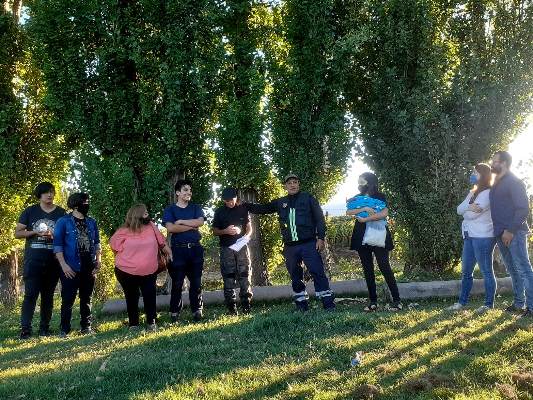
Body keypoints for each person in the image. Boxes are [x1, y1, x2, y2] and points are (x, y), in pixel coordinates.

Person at [245, 174, 335, 311]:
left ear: (298, 184)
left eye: (295, 182)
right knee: (295, 275)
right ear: (285, 186)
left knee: (317, 272)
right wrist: (244, 206)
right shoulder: (281, 202)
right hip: (290, 247)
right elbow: (263, 208)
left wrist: (320, 238)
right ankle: (301, 305)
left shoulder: (308, 198)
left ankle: (328, 304)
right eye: (289, 183)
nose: (292, 185)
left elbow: (319, 219)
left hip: (309, 244)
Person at [15, 182, 66, 339]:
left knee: (48, 296)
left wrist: (54, 235)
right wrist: (34, 232)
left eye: (51, 192)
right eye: (45, 193)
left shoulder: (61, 212)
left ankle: (44, 328)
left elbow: (67, 235)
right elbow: (17, 233)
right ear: (39, 195)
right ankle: (26, 329)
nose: (49, 195)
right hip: (33, 260)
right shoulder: (30, 211)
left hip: (53, 260)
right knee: (30, 295)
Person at [110, 204, 172, 331]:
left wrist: (169, 252)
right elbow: (114, 246)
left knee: (150, 295)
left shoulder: (151, 226)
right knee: (131, 296)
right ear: (136, 214)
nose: (147, 214)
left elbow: (161, 241)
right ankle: (133, 324)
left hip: (149, 270)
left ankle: (151, 322)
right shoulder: (123, 231)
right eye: (145, 212)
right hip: (126, 271)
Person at [346, 172, 402, 312]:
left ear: (370, 182)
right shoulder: (357, 198)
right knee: (367, 269)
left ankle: (396, 300)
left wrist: (366, 219)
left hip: (378, 235)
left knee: (384, 266)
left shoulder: (380, 196)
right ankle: (373, 301)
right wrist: (364, 209)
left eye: (362, 181)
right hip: (361, 236)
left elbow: (384, 213)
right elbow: (349, 212)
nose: (360, 183)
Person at [447, 163, 496, 313]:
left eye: (475, 172)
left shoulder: (488, 193)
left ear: (483, 175)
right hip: (469, 236)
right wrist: (469, 207)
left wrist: (467, 210)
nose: (472, 174)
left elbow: (471, 216)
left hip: (483, 236)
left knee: (486, 271)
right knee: (466, 272)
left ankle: (488, 305)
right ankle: (462, 303)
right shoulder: (473, 192)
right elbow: (458, 210)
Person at [490, 150, 533, 318]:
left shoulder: (514, 182)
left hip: (513, 232)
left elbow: (523, 208)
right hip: (501, 233)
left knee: (523, 269)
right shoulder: (497, 183)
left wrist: (510, 230)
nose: (492, 164)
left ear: (504, 163)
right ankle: (518, 303)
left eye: (495, 161)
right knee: (513, 270)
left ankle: (531, 307)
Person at [53, 192, 101, 336]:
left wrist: (98, 260)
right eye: (84, 202)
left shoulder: (92, 222)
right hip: (70, 267)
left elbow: (97, 243)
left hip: (88, 266)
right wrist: (64, 265)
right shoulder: (63, 221)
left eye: (88, 201)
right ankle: (64, 329)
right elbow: (58, 245)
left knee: (86, 299)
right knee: (68, 299)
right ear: (75, 205)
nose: (87, 204)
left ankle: (86, 327)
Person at [162, 179, 205, 322]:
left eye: (190, 190)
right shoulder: (170, 210)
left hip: (195, 249)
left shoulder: (195, 207)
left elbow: (200, 222)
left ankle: (197, 310)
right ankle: (174, 312)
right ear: (178, 193)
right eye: (186, 190)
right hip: (178, 251)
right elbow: (171, 228)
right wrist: (191, 226)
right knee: (177, 283)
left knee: (196, 282)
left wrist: (181, 222)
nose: (189, 192)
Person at [212, 188, 253, 315]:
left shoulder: (243, 209)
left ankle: (246, 304)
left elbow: (249, 227)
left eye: (232, 200)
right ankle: (231, 307)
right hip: (226, 248)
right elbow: (214, 231)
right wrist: (225, 231)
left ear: (236, 197)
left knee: (245, 275)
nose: (230, 202)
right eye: (227, 201)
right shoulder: (219, 211)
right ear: (224, 200)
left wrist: (246, 236)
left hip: (241, 247)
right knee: (228, 277)